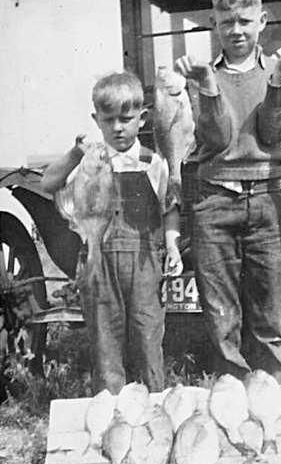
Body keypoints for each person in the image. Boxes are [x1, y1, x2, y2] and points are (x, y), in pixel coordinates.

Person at [176, 0, 281, 383]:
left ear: (262, 20)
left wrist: (279, 79)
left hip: (268, 201)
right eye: (226, 22)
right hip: (214, 202)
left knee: (270, 315)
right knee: (221, 318)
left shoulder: (280, 69)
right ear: (213, 23)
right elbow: (216, 140)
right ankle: (231, 396)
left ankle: (271, 395)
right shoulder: (200, 74)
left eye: (245, 21)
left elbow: (273, 132)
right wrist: (206, 84)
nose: (236, 30)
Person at [41, 71, 182, 394]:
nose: (118, 127)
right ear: (97, 120)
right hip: (98, 261)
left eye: (126, 119)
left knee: (147, 338)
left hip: (144, 263)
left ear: (142, 118)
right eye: (109, 120)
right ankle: (112, 409)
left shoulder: (152, 162)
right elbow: (48, 183)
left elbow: (170, 208)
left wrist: (172, 246)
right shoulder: (90, 161)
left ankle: (153, 406)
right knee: (105, 342)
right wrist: (75, 154)